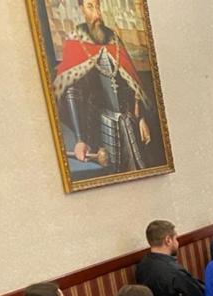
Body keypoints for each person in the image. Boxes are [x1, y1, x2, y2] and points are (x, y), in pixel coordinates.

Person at [54, 0, 154, 173]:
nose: (97, 14)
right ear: (81, 9)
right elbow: (72, 91)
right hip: (99, 127)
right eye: (90, 7)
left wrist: (141, 119)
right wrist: (79, 139)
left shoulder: (113, 38)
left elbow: (132, 85)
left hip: (129, 122)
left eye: (98, 6)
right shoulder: (76, 39)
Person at [135, 219, 204, 296]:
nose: (177, 243)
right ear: (168, 240)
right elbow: (199, 295)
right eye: (176, 239)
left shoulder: (141, 267)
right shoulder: (175, 272)